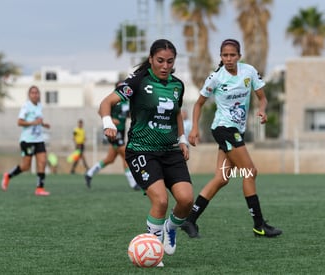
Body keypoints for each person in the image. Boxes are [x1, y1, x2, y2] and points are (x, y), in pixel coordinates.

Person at [99, 39, 193, 265]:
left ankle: (171, 227)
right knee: (160, 200)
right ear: (151, 59)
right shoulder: (137, 81)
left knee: (186, 200)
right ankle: (154, 250)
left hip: (170, 151)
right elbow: (106, 102)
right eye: (160, 61)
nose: (165, 66)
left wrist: (182, 139)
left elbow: (177, 112)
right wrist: (107, 123)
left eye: (170, 61)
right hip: (142, 150)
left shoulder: (177, 85)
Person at [180, 39, 282, 238]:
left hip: (236, 130)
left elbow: (262, 97)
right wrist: (193, 130)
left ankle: (190, 220)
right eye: (225, 55)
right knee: (250, 172)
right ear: (221, 57)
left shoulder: (249, 72)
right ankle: (259, 225)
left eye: (232, 55)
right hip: (224, 129)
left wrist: (262, 111)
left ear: (239, 56)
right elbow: (199, 104)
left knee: (222, 178)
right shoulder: (216, 77)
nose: (228, 59)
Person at [85, 86, 140, 190]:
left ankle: (89, 173)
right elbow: (101, 110)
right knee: (126, 154)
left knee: (110, 159)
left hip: (122, 132)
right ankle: (133, 183)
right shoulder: (115, 100)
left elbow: (126, 114)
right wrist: (110, 120)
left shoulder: (127, 101)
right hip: (115, 132)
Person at [1, 85, 51, 196]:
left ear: (39, 95)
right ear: (29, 95)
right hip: (27, 140)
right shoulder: (26, 106)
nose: (35, 95)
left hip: (39, 139)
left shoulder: (39, 105)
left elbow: (38, 120)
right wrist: (33, 123)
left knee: (42, 161)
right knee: (25, 166)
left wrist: (44, 124)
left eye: (36, 92)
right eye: (32, 93)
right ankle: (8, 175)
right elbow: (19, 122)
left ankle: (39, 188)